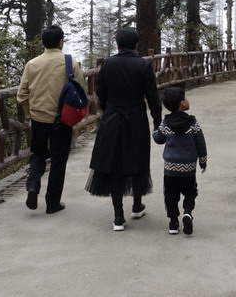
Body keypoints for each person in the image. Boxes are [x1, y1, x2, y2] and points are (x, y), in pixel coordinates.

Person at [86, 28, 162, 231]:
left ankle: (118, 216)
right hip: (136, 118)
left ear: (117, 45)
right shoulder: (143, 65)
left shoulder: (107, 64)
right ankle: (137, 205)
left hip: (112, 119)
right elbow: (152, 96)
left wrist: (109, 110)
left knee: (115, 163)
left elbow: (100, 92)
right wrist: (157, 122)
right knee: (137, 159)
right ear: (137, 45)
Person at [17, 24, 81, 215]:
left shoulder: (32, 64)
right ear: (61, 42)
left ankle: (33, 185)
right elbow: (81, 92)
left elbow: (21, 95)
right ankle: (52, 203)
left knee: (38, 153)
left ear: (43, 43)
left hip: (38, 118)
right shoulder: (71, 63)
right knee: (59, 160)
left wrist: (32, 112)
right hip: (62, 119)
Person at [153, 86, 207, 235]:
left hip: (170, 169)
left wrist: (155, 130)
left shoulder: (165, 124)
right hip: (188, 168)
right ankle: (187, 212)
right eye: (185, 98)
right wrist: (203, 161)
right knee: (190, 191)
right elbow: (200, 144)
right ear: (182, 103)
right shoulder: (193, 123)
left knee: (170, 196)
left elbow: (159, 139)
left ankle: (173, 223)